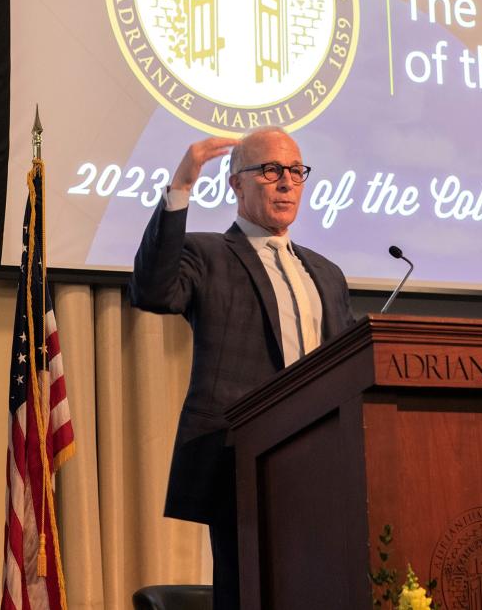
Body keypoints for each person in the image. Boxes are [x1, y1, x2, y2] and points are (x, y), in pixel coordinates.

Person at [130, 127, 356, 610]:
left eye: (296, 172)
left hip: (326, 465)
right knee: (250, 594)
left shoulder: (327, 273)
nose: (286, 183)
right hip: (242, 465)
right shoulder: (208, 255)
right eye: (270, 170)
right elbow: (151, 290)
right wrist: (180, 189)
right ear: (236, 183)